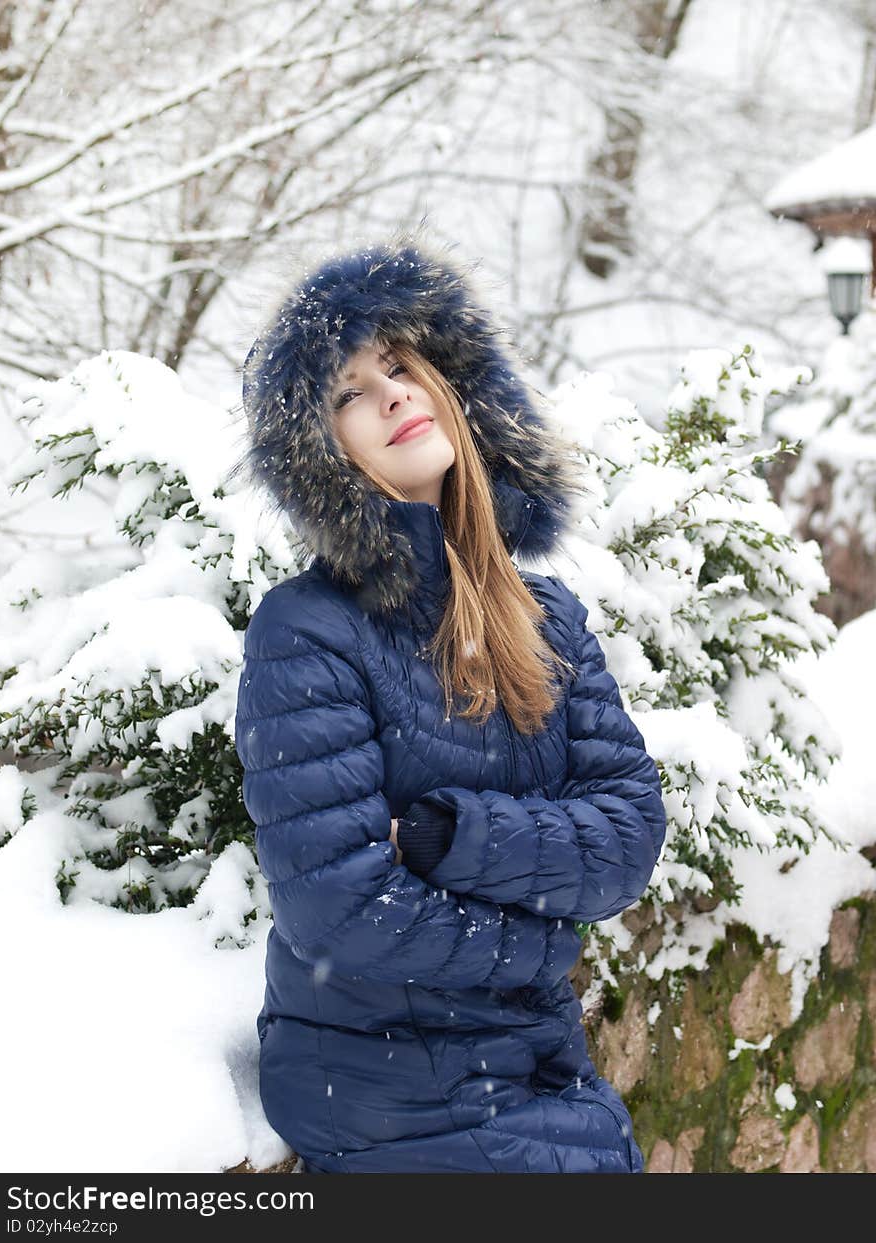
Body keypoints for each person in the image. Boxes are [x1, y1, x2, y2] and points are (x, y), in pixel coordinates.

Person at [234, 230, 667, 1174]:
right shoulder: (306, 630)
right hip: (380, 1081)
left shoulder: (545, 616)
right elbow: (339, 909)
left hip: (534, 1063)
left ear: (455, 393)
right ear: (321, 457)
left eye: (399, 365)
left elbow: (629, 833)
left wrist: (443, 836)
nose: (390, 392)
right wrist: (547, 939)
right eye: (349, 391)